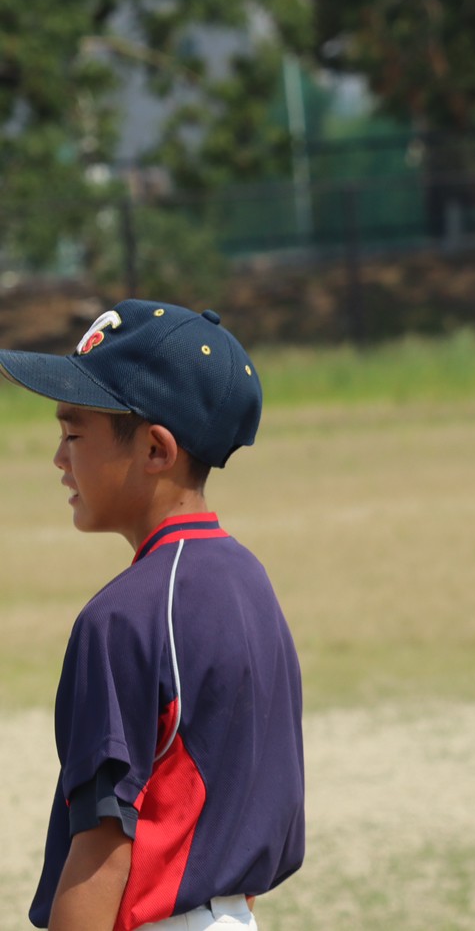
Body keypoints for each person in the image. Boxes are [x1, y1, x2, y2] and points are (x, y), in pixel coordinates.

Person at [0, 300, 305, 931]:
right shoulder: (248, 579)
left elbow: (103, 849)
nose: (59, 458)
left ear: (157, 450)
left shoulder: (118, 619)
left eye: (74, 432)